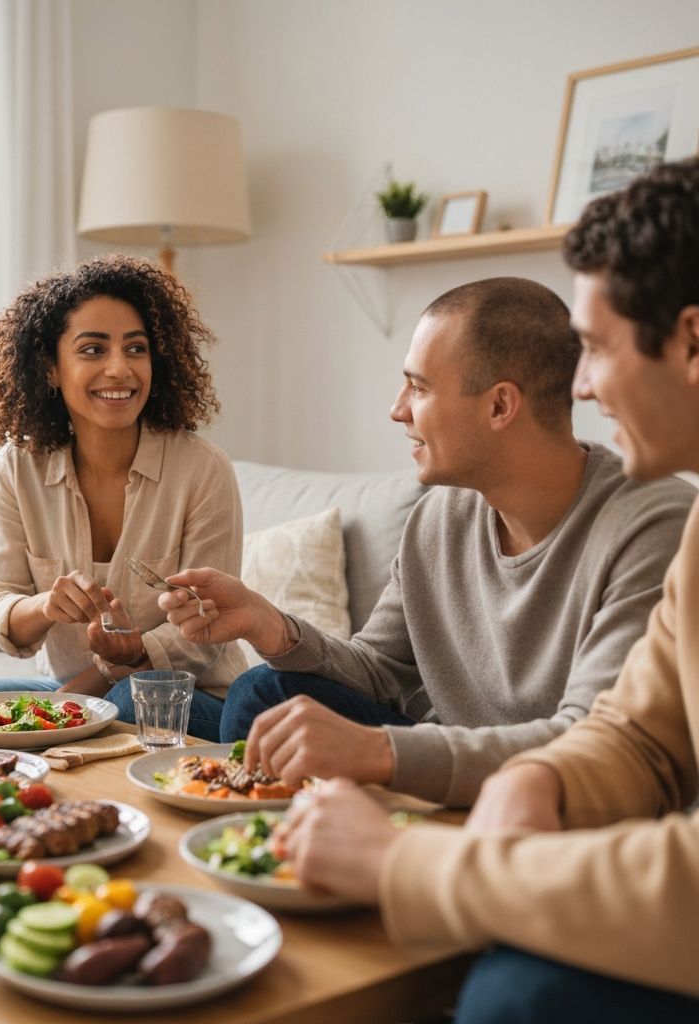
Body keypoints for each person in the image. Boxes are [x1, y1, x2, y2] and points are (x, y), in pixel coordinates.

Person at [280, 157, 699, 1021]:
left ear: (690, 340)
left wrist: (407, 865)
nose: (578, 385)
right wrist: (542, 779)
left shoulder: (656, 515)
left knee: (518, 999)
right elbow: (639, 737)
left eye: (595, 349)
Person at [160, 276, 695, 805]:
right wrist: (269, 625)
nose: (398, 409)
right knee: (231, 696)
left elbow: (591, 745)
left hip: (552, 794)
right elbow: (379, 671)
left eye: (419, 387)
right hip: (439, 767)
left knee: (247, 704)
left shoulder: (653, 526)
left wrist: (383, 752)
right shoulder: (440, 514)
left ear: (500, 406)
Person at [0, 255, 246, 741]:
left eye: (136, 348)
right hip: (75, 689)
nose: (119, 369)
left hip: (194, 697)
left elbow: (203, 635)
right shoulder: (20, 467)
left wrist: (103, 675)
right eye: (92, 350)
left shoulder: (203, 470)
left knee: (123, 704)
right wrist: (46, 607)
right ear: (51, 369)